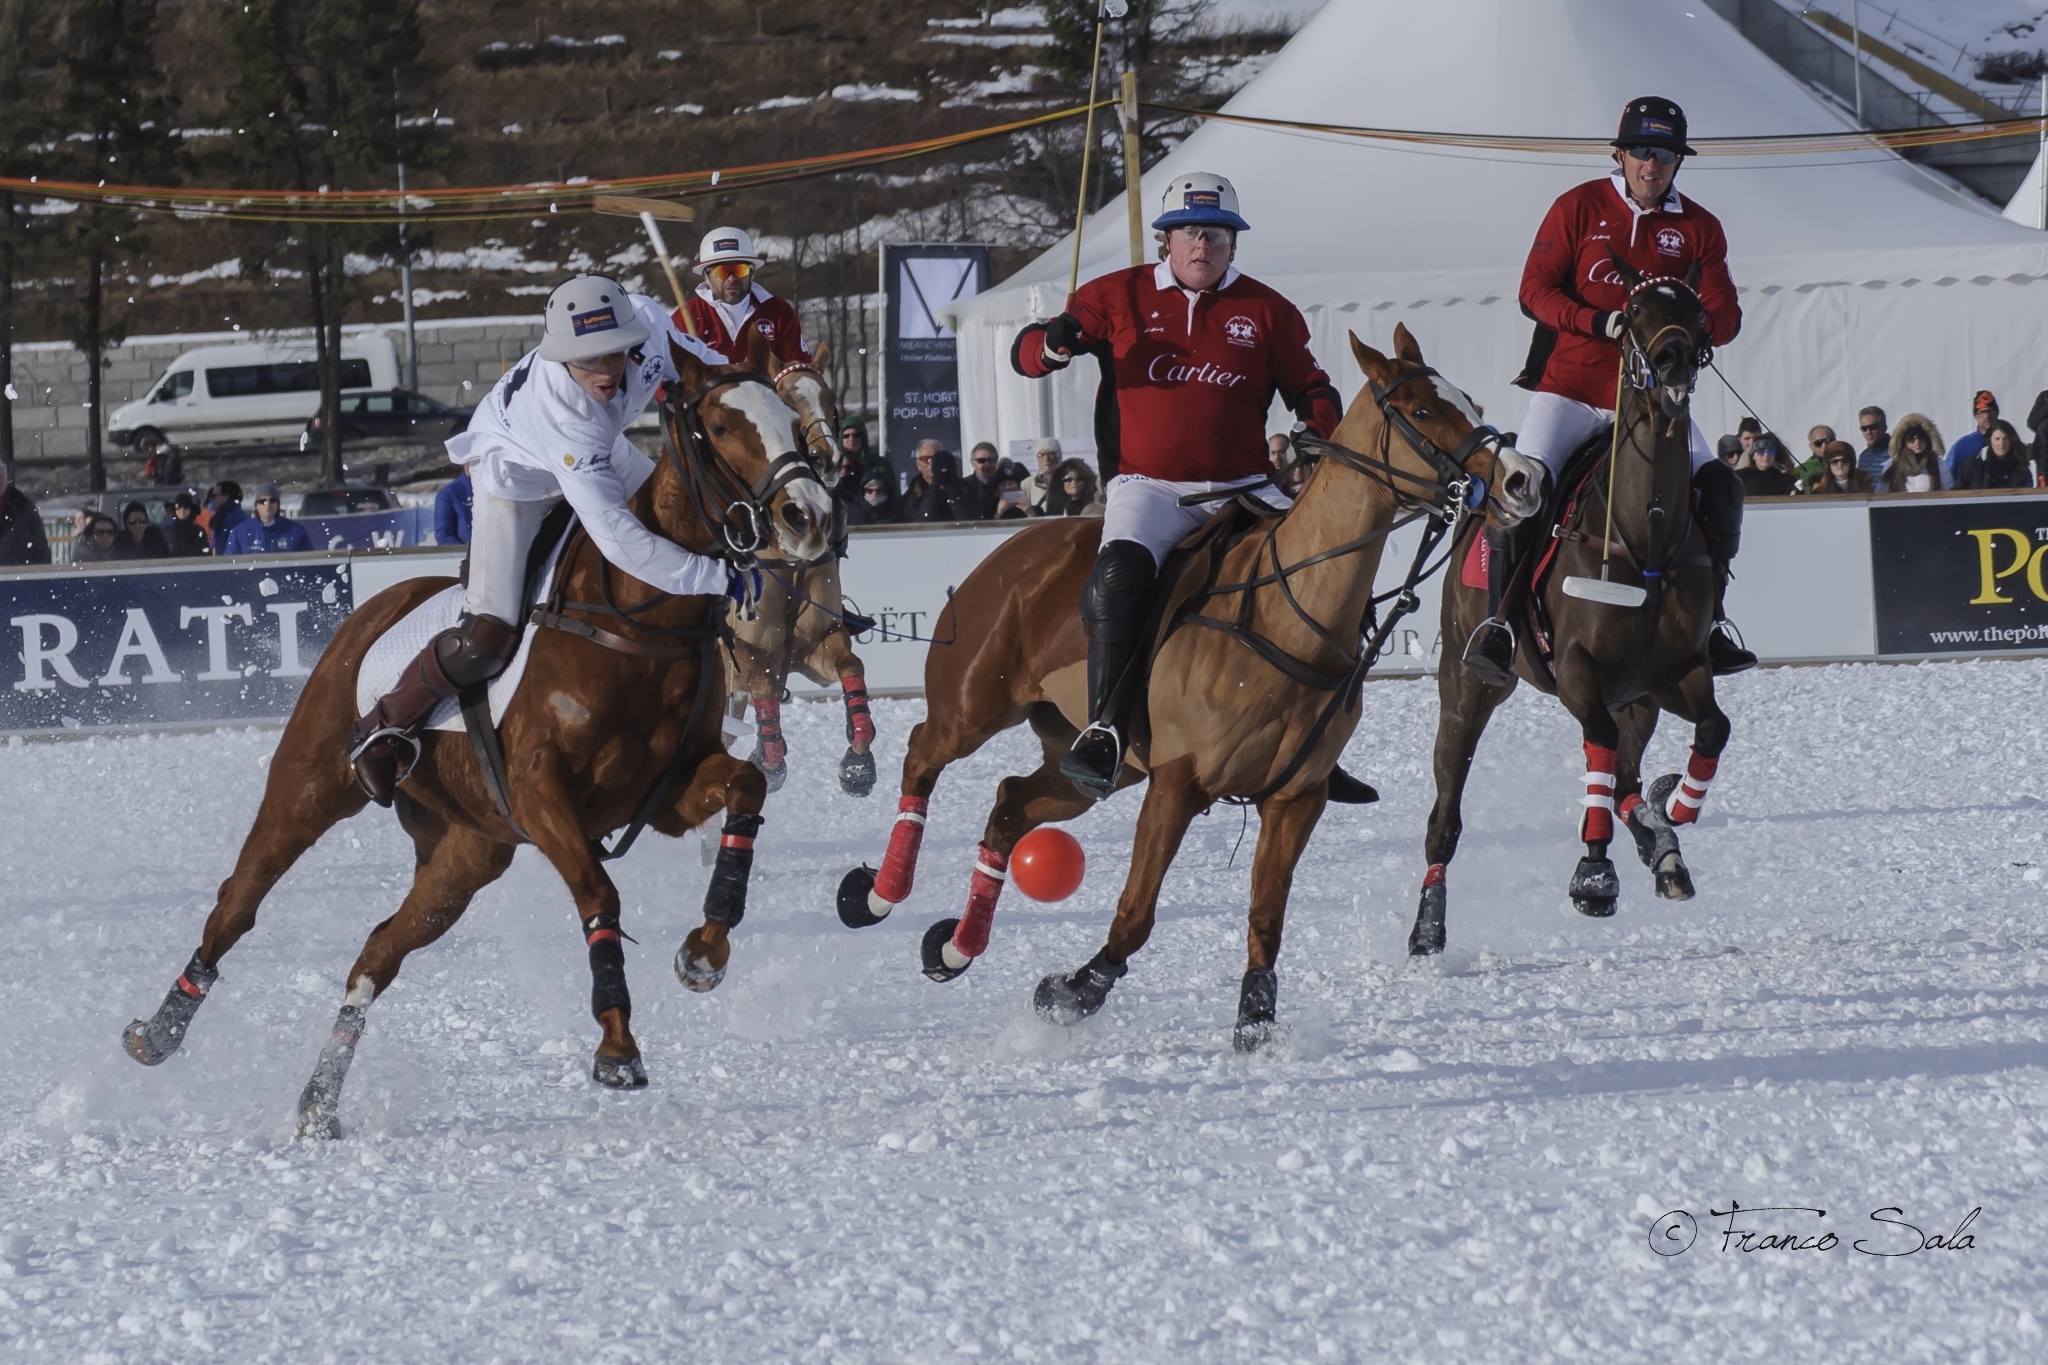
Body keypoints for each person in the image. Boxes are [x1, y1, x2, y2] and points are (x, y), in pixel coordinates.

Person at [1011, 170, 1357, 797]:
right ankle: (1105, 729)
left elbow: (1313, 385)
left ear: (1233, 243)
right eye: (1190, 232)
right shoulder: (1116, 295)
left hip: (1245, 485)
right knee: (1117, 580)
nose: (1203, 245)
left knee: (1325, 569)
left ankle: (1320, 736)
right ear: (1166, 239)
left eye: (1217, 235)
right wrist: (1052, 344)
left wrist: (1316, 424)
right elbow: (1026, 354)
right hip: (1151, 488)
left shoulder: (1268, 310)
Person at [349, 274, 736, 805]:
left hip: (602, 445)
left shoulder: (647, 321)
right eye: (589, 360)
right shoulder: (562, 413)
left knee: (675, 523)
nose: (607, 370)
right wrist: (718, 578)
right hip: (515, 475)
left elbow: (717, 374)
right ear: (563, 357)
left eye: (615, 353)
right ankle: (381, 728)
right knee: (489, 630)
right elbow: (619, 539)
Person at [1480, 95, 1752, 682]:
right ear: (1619, 154)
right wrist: (1597, 322)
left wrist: (1695, 328)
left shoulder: (1700, 227)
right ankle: (1500, 624)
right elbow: (1534, 290)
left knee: (1721, 489)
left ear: (1678, 162)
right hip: (1571, 391)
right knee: (1521, 491)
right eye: (1641, 152)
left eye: (1665, 155)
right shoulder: (1577, 207)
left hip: (1654, 404)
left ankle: (1713, 623)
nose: (1652, 165)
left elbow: (1726, 312)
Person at [675, 226, 809, 367]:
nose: (731, 279)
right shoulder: (686, 317)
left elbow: (799, 369)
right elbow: (668, 373)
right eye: (722, 271)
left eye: (740, 269)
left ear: (752, 273)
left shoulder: (778, 312)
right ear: (705, 276)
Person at [222, 482, 314, 554]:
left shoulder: (296, 531)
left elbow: (308, 561)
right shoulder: (239, 532)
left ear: (278, 504)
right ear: (256, 506)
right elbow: (231, 564)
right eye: (262, 501)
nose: (268, 505)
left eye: (272, 500)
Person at [1954, 419, 2033, 490]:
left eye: (2005, 439)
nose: (2001, 444)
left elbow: (2027, 493)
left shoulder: (2020, 466)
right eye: (1997, 439)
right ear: (1990, 440)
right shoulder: (1973, 464)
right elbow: (1957, 492)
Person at [0, 462, 51, 566]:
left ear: (6, 478)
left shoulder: (24, 508)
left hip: (17, 572)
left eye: (0, 477)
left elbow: (40, 550)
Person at [1879, 415, 1945, 493]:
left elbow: (1948, 492)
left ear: (1928, 440)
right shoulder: (1892, 464)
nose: (1917, 444)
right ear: (1904, 441)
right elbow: (1881, 494)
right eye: (1911, 439)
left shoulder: (1938, 464)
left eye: (1922, 438)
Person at [1946, 391, 1998, 484]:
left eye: (1990, 410)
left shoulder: (2009, 441)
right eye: (1982, 412)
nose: (1987, 416)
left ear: (1997, 412)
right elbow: (1948, 479)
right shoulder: (1962, 447)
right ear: (1975, 416)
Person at [905, 447, 968, 522]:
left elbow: (967, 519)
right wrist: (934, 489)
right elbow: (924, 519)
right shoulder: (918, 495)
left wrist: (954, 495)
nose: (930, 464)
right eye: (926, 459)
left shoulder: (965, 490)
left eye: (947, 473)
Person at [1805, 440, 1875, 495]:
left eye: (1844, 460)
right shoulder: (1819, 487)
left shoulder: (1863, 482)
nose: (1840, 464)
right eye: (1834, 461)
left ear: (1851, 463)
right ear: (1828, 464)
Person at [957, 442, 1005, 520]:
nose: (987, 464)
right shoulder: (963, 485)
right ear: (972, 464)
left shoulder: (1006, 483)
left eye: (991, 460)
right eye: (982, 461)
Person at [206, 481, 249, 555]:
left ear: (225, 497)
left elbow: (226, 549)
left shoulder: (233, 519)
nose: (211, 500)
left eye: (214, 496)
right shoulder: (222, 517)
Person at [434, 469, 474, 545]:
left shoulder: (495, 489)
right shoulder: (449, 493)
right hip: (466, 550)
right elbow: (443, 535)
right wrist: (466, 550)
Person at [162, 491, 209, 557]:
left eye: (186, 507)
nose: (182, 510)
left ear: (191, 509)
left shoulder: (198, 531)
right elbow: (162, 554)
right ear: (174, 509)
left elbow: (206, 553)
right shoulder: (167, 531)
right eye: (178, 507)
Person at [1026, 437, 1061, 513]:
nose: (1046, 459)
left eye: (1051, 454)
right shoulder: (1027, 484)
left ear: (1058, 456)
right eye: (1041, 454)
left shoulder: (1068, 482)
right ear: (1037, 458)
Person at [1855, 407, 1890, 479]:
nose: (1868, 432)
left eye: (1873, 427)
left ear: (1884, 428)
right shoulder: (1863, 457)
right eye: (1864, 429)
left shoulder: (1897, 453)